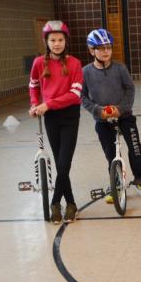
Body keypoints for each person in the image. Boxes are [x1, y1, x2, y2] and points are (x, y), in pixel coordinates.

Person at [80, 28, 141, 204]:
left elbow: (130, 88)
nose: (106, 51)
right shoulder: (86, 72)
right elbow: (82, 97)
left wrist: (121, 109)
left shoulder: (120, 68)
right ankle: (116, 183)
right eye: (101, 48)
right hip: (102, 120)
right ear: (92, 50)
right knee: (111, 153)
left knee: (136, 149)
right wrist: (98, 110)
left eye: (108, 47)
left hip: (125, 116)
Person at [28, 20, 83, 224]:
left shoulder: (74, 63)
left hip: (69, 115)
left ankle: (54, 202)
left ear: (65, 41)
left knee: (63, 162)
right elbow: (33, 85)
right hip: (50, 118)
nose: (57, 43)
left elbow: (75, 94)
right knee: (61, 165)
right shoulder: (38, 63)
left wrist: (48, 104)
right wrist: (35, 103)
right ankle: (71, 203)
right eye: (53, 40)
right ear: (46, 41)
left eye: (60, 40)